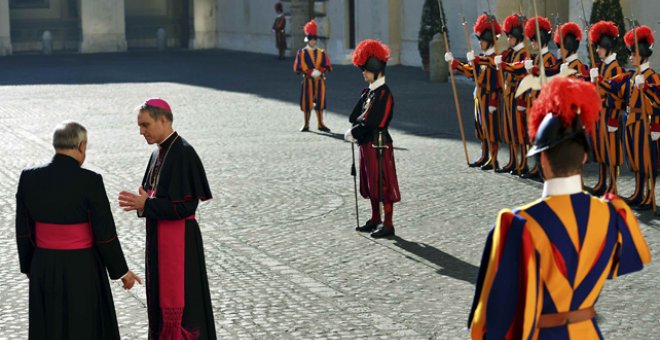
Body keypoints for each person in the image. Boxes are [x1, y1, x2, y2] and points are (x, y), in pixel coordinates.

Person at [468, 77, 651, 339]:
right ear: (585, 157)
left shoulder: (518, 225)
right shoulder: (613, 214)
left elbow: (492, 319)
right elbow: (630, 261)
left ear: (542, 158)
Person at [15, 121, 140, 339]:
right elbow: (105, 234)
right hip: (82, 266)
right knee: (84, 324)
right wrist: (122, 271)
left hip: (44, 264)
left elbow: (23, 230)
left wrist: (29, 266)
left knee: (50, 325)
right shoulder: (90, 181)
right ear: (81, 146)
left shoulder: (28, 178)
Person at [118, 98, 216, 339]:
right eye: (139, 126)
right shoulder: (157, 153)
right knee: (157, 300)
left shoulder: (184, 152)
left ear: (163, 120)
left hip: (181, 244)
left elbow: (186, 206)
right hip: (159, 240)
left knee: (186, 303)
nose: (141, 131)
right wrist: (143, 202)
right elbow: (153, 195)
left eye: (145, 125)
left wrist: (147, 204)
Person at [597, 25, 660, 210]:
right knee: (636, 161)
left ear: (641, 54)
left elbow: (658, 101)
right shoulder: (633, 76)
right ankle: (639, 192)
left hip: (645, 124)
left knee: (647, 162)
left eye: (634, 53)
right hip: (632, 122)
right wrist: (599, 81)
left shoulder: (652, 76)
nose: (631, 57)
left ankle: (649, 196)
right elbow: (615, 89)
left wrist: (656, 125)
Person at [345, 39, 400, 238]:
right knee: (370, 183)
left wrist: (356, 131)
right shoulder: (370, 93)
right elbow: (354, 116)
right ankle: (375, 218)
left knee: (383, 184)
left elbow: (374, 121)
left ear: (375, 69)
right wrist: (359, 125)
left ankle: (388, 223)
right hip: (367, 144)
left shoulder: (384, 94)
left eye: (365, 69)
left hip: (379, 144)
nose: (363, 73)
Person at [445, 14, 503, 171]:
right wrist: (455, 63)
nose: (480, 43)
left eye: (482, 40)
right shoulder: (483, 58)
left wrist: (476, 60)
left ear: (489, 40)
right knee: (481, 128)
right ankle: (485, 156)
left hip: (490, 98)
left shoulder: (494, 58)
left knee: (491, 130)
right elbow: (472, 73)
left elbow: (492, 70)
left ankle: (494, 158)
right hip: (480, 97)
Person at [588, 21, 626, 196]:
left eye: (600, 48)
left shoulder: (616, 68)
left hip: (611, 116)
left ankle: (612, 183)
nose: (597, 51)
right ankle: (602, 180)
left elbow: (617, 95)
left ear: (607, 47)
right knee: (601, 149)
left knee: (612, 152)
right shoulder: (602, 66)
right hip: (600, 113)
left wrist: (614, 116)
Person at [496, 13, 530, 175]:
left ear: (517, 37)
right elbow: (501, 60)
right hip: (509, 96)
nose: (508, 39)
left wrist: (502, 64)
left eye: (510, 36)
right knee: (509, 131)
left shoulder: (524, 54)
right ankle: (512, 160)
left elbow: (518, 69)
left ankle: (523, 162)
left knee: (520, 133)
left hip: (519, 97)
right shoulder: (510, 52)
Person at [293, 19, 332, 132]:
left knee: (320, 102)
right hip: (308, 81)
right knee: (307, 102)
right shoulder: (302, 52)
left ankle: (321, 123)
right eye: (311, 40)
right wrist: (310, 72)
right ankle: (306, 124)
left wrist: (320, 71)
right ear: (308, 40)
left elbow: (327, 64)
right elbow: (299, 66)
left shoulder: (322, 52)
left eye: (314, 40)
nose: (313, 42)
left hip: (319, 80)